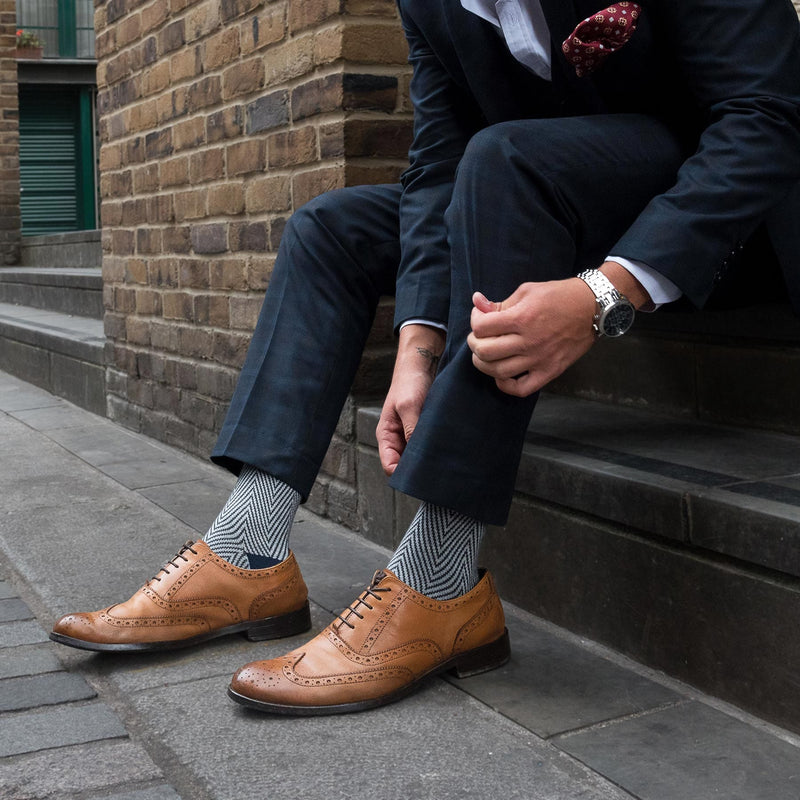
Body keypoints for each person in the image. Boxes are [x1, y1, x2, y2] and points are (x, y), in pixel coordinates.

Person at [50, 0, 800, 716]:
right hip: (531, 198)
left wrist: (607, 291)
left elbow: (768, 117)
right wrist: (417, 345)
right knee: (331, 228)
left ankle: (441, 583)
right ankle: (248, 554)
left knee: (504, 157)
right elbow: (438, 162)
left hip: (719, 219)